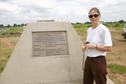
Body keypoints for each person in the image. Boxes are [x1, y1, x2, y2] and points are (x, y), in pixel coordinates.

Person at [81, 7, 112, 84]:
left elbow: (109, 48)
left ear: (99, 16)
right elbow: (88, 42)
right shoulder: (89, 30)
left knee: (100, 81)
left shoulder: (104, 29)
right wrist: (85, 46)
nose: (93, 17)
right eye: (90, 16)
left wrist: (96, 46)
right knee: (87, 81)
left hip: (99, 60)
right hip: (88, 59)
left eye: (95, 15)